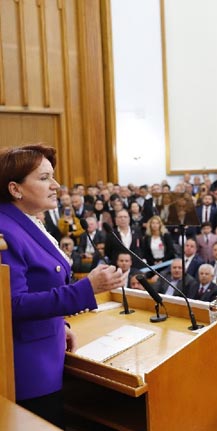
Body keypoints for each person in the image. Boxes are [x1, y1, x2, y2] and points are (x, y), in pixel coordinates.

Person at [0, 144, 125, 427]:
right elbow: (12, 305)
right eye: (44, 178)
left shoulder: (26, 222)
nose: (56, 185)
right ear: (15, 189)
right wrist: (87, 288)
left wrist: (60, 326)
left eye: (53, 176)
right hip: (29, 368)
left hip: (47, 349)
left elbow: (38, 285)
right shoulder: (5, 231)